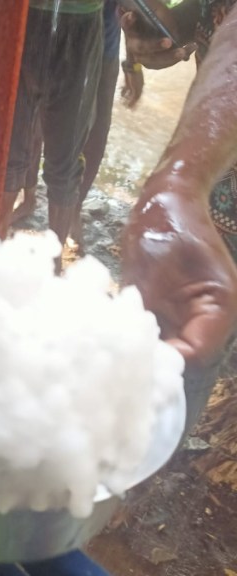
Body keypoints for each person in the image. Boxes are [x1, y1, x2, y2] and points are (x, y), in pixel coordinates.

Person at [119, 0, 237, 432]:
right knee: (186, 323)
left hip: (198, 186)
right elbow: (191, 27)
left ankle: (169, 437)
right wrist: (154, 28)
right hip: (204, 198)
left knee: (204, 333)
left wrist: (179, 180)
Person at [10, 1, 145, 255]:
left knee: (93, 130)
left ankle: (73, 208)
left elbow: (131, 10)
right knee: (32, 125)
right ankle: (28, 197)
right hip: (41, 21)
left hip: (99, 36)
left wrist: (133, 62)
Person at [0, 0, 106, 264]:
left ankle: (53, 265)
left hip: (80, 21)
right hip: (22, 14)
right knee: (9, 150)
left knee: (65, 156)